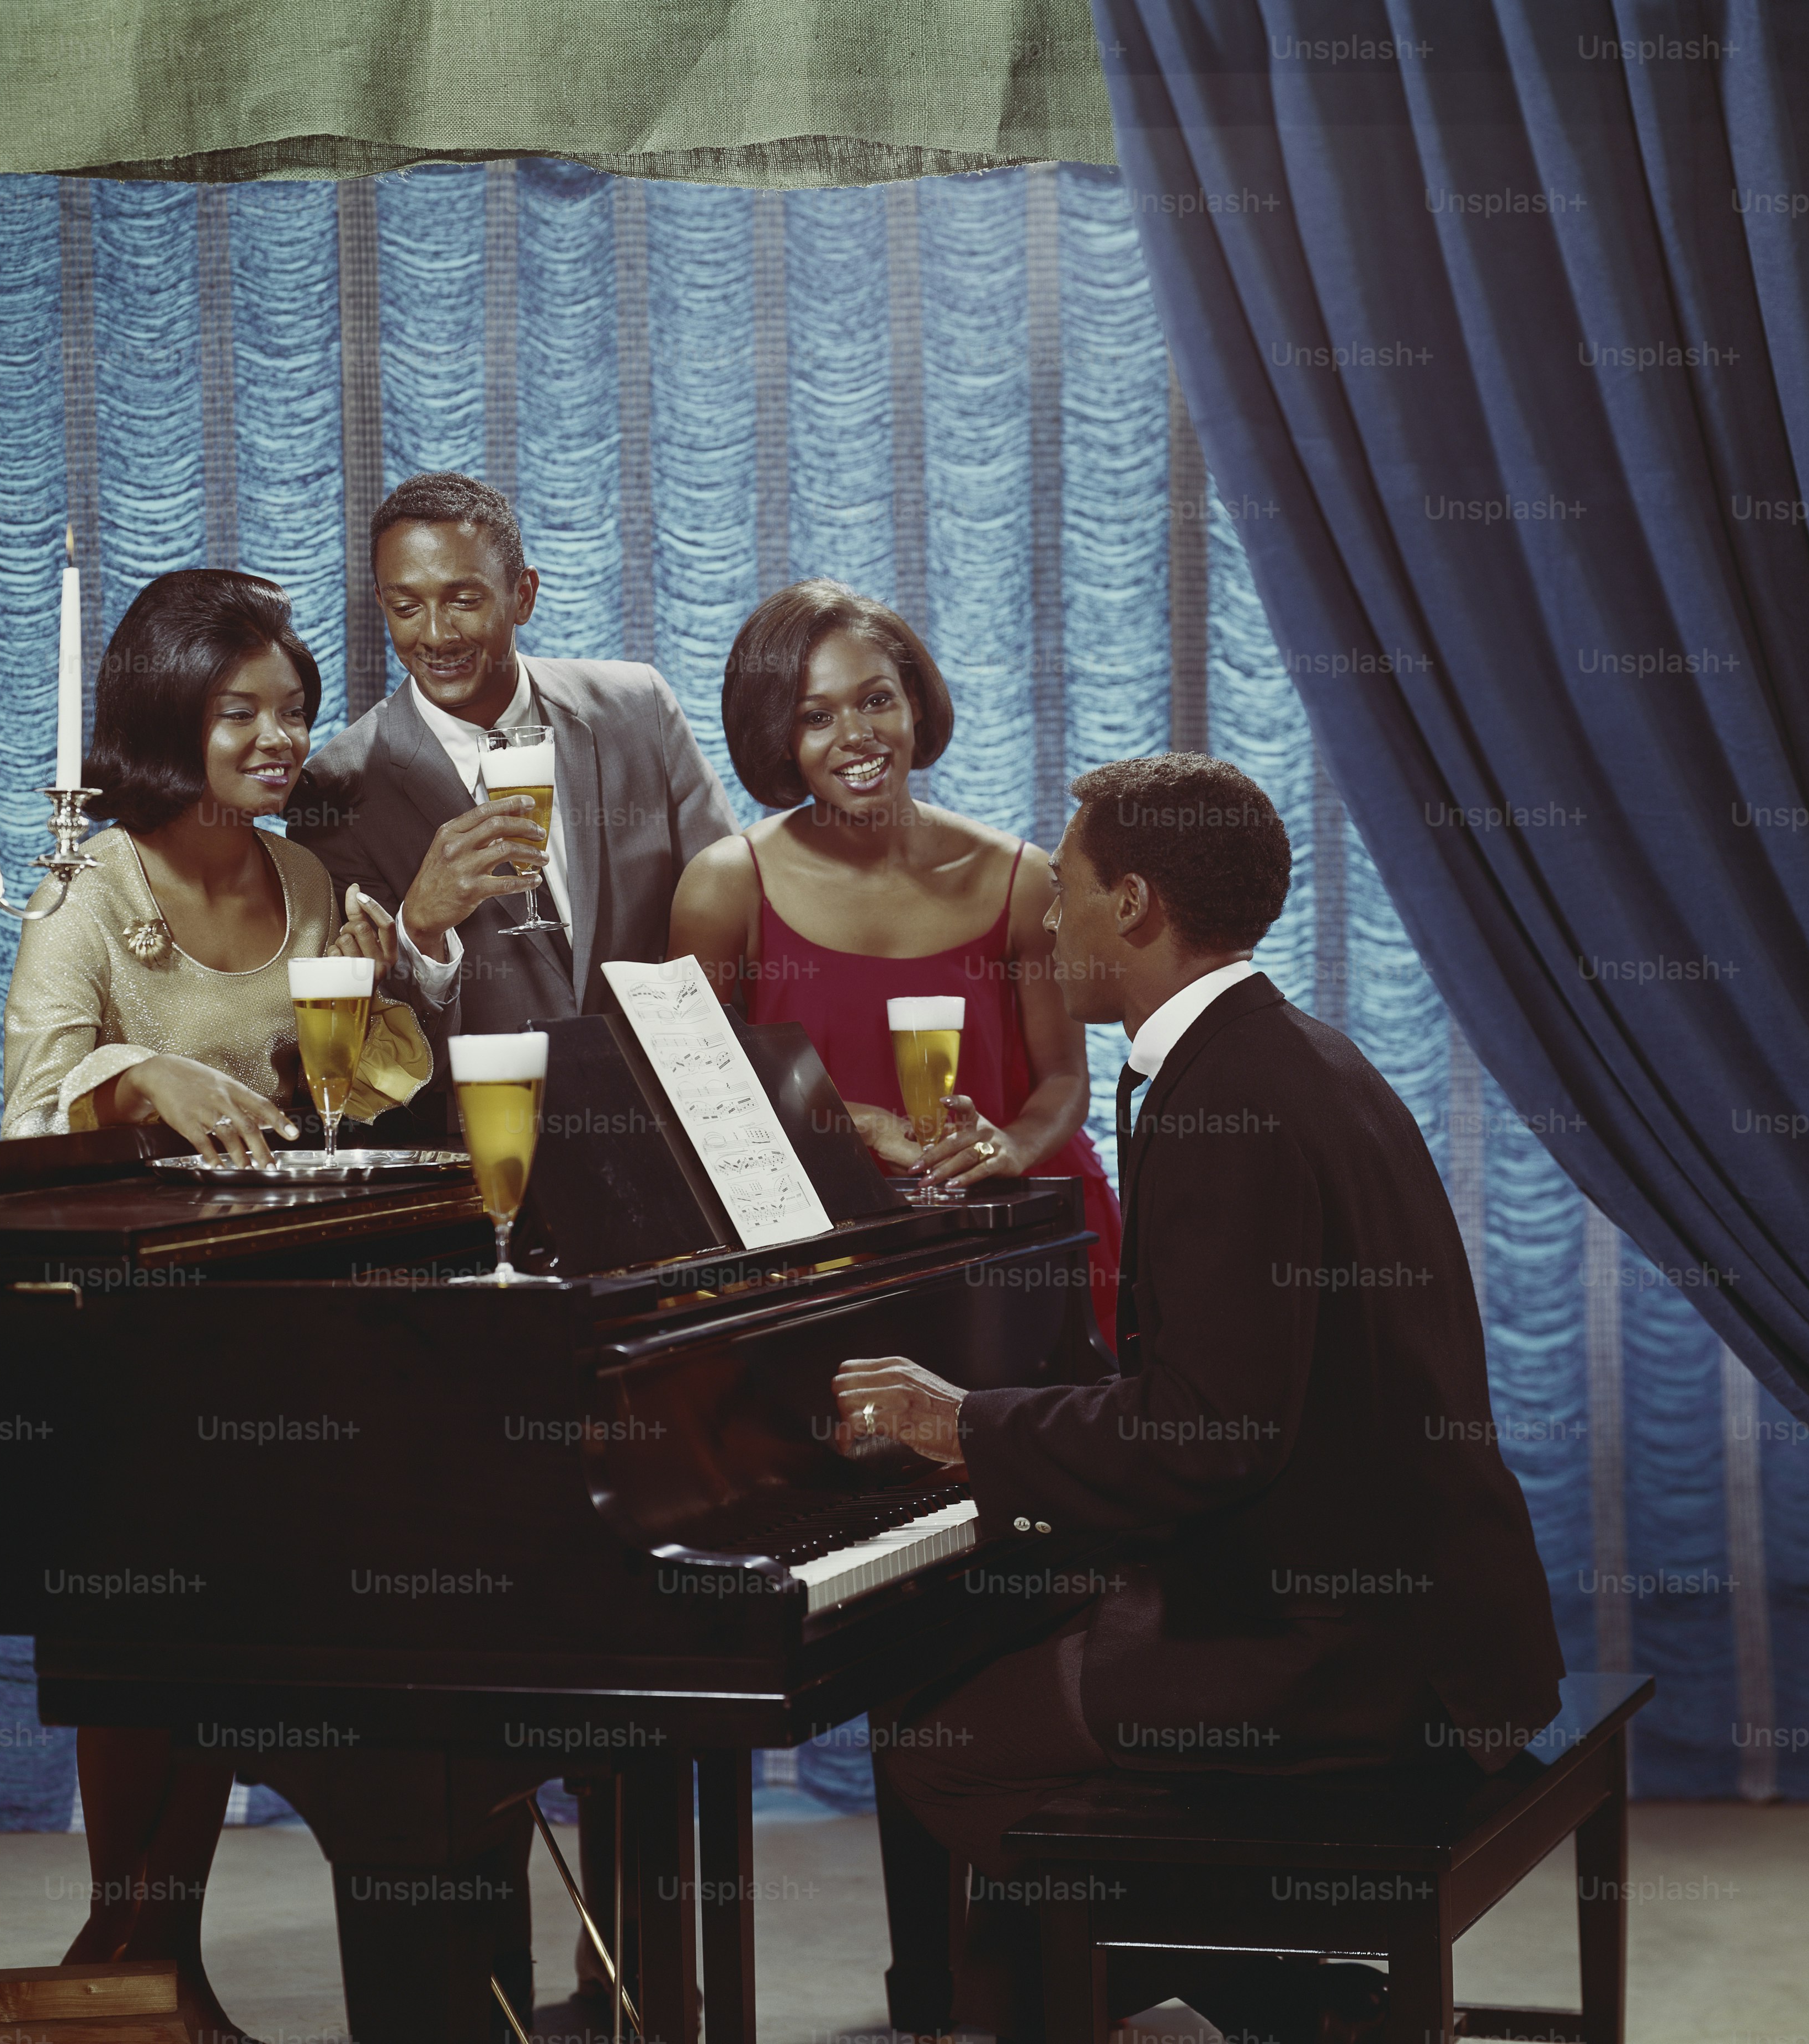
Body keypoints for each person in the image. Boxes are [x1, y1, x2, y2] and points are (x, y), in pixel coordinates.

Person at [828, 753, 1566, 2044]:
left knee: (937, 1741)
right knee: (999, 1676)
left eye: (1063, 892)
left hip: (1348, 1653)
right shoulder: (1287, 1054)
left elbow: (1205, 1431)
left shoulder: (1232, 1098)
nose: (1044, 921)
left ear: (1132, 905)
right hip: (1396, 1602)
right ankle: (1184, 1997)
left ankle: (1258, 2003)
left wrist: (962, 1422)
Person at [2, 568, 431, 2044]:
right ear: (166, 719)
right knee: (148, 1633)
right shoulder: (88, 890)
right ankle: (139, 1958)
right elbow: (26, 1108)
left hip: (286, 1329)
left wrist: (377, 1004)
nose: (276, 738)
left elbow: (356, 1107)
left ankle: (131, 1967)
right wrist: (139, 1076)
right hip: (129, 1340)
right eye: (239, 710)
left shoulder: (305, 881)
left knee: (223, 1637)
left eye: (291, 710)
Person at [667, 578, 1119, 1350]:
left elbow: (1064, 1081)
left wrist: (1011, 1146)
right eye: (815, 716)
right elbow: (692, 1090)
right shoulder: (725, 886)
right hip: (818, 1259)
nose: (856, 736)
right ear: (779, 735)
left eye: (876, 700)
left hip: (1017, 1239)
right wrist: (859, 1123)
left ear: (914, 703)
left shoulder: (1017, 878)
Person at [289, 471, 738, 1134]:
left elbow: (732, 919)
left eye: (464, 600)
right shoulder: (339, 788)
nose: (435, 634)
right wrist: (419, 929)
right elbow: (368, 1065)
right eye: (405, 607)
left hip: (671, 1130)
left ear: (523, 594)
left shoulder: (638, 710)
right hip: (482, 1152)